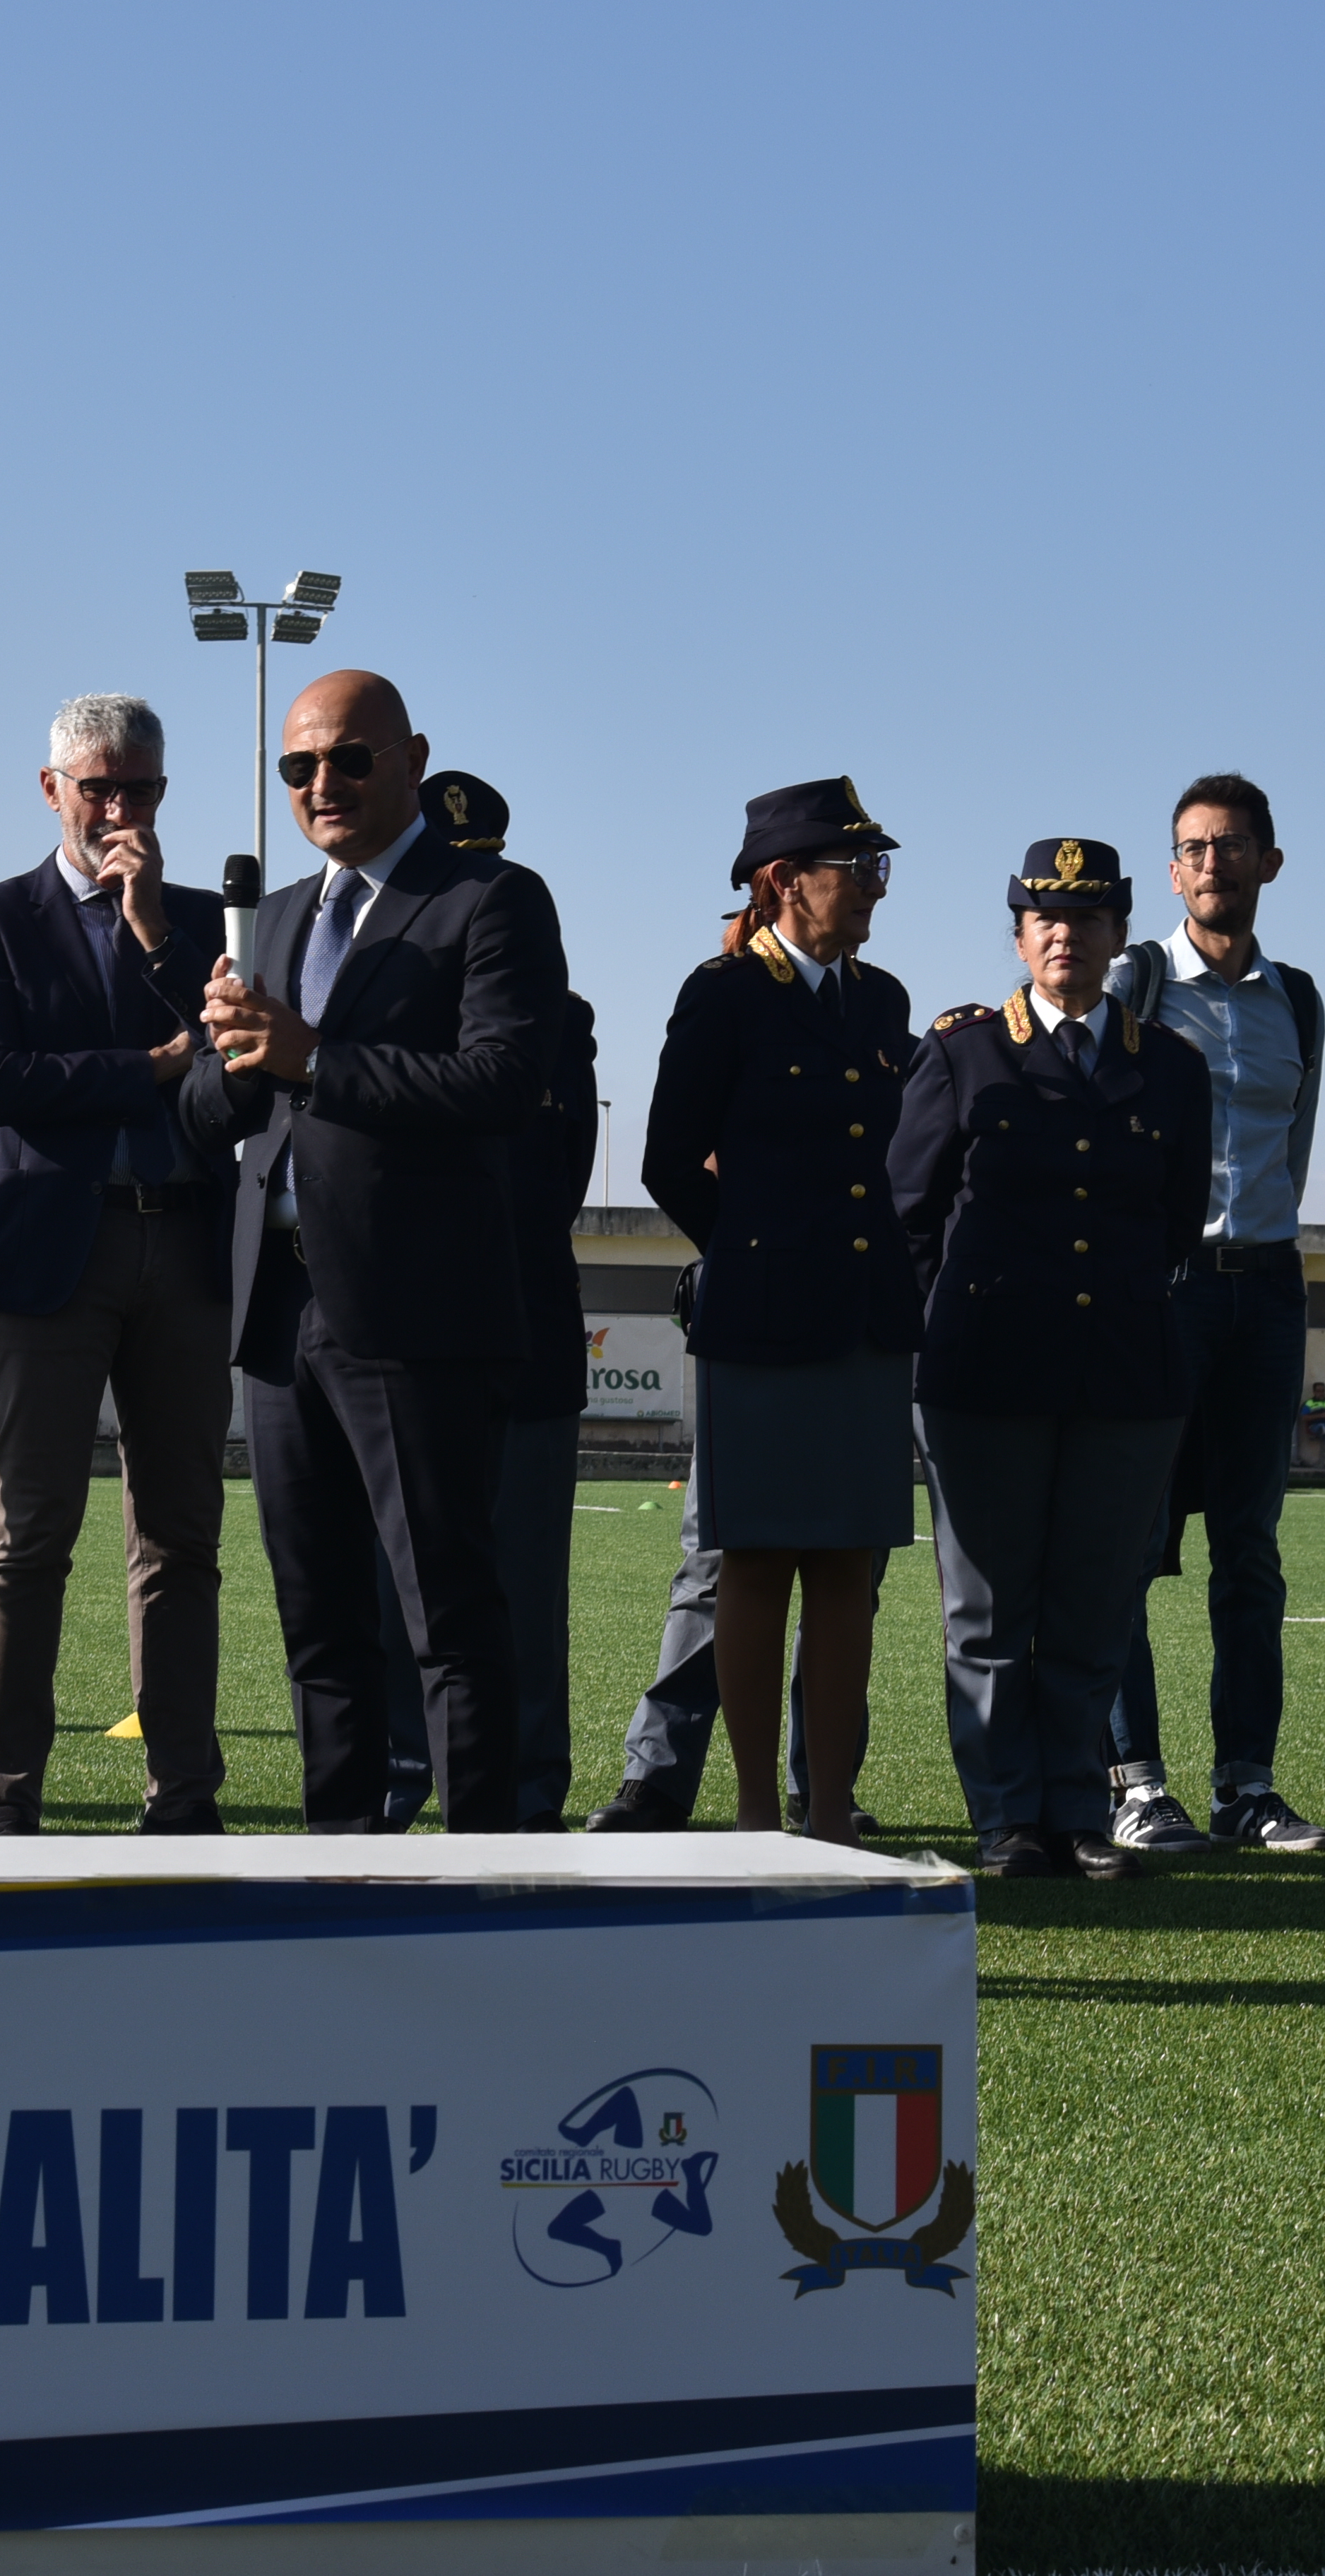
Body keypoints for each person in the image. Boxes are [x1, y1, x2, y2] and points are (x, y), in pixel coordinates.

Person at [185, 671, 567, 1831]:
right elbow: (216, 1117)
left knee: (445, 1617)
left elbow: (502, 1081)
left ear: (413, 757)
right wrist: (223, 1059)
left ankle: (481, 1876)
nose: (320, 785)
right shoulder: (285, 914)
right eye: (297, 768)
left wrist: (307, 1057)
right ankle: (336, 1872)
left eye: (347, 759)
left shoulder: (490, 899)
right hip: (281, 1308)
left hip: (416, 1312)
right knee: (319, 1623)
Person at [894, 838, 1212, 1878]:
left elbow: (1173, 1223)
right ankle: (1006, 1818)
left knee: (1093, 1602)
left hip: (1123, 1370)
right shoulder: (960, 1052)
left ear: (1121, 933)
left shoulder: (1168, 1064)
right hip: (985, 1370)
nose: (1064, 934)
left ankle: (1078, 1809)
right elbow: (913, 1213)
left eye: (1085, 917)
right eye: (1044, 916)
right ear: (1021, 933)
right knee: (988, 1611)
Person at [0, 693, 230, 1834]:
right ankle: (5, 1799)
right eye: (98, 785)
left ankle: (183, 1799)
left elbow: (224, 1069)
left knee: (181, 1539)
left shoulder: (202, 919)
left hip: (183, 1243)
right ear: (51, 788)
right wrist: (144, 1069)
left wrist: (152, 923)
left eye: (141, 788)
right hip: (46, 1254)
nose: (119, 808)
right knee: (33, 1532)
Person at [638, 776, 917, 1843]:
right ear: (780, 882)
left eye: (877, 869)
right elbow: (670, 1159)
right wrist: (753, 1252)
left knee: (850, 1568)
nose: (873, 890)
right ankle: (759, 1809)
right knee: (755, 1565)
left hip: (862, 1320)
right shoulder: (722, 996)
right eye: (855, 870)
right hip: (760, 1324)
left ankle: (832, 1807)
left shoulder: (880, 1000)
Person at [1098, 772, 1325, 1857]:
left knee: (1251, 1549)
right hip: (1165, 1289)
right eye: (1192, 847)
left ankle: (1248, 1786)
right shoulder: (1135, 984)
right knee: (1132, 1544)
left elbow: (1292, 1147)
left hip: (1269, 1289)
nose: (1211, 863)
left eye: (1232, 845)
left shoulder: (1302, 1001)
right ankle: (1135, 1783)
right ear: (1174, 868)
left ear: (1269, 863)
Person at [374, 771, 593, 1833]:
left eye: (485, 863)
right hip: (403, 1335)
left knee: (524, 1594)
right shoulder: (375, 1000)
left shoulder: (564, 1017)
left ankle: (527, 1792)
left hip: (525, 1332)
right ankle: (398, 1778)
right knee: (395, 1586)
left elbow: (561, 1184)